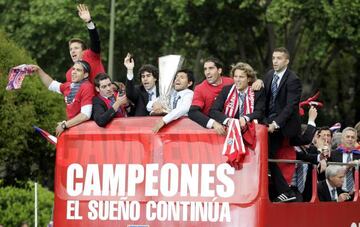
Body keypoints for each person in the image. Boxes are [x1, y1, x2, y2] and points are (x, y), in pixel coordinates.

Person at [263, 47, 303, 202]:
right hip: (267, 122)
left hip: (283, 126)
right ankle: (283, 191)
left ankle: (285, 191)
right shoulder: (268, 75)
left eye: (279, 58)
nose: (275, 61)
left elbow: (290, 106)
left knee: (267, 154)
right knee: (266, 155)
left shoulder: (293, 79)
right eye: (273, 58)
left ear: (286, 61)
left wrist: (276, 123)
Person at [29, 60, 94, 136]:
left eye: (78, 70)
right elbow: (51, 84)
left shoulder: (87, 87)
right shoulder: (69, 86)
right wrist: (38, 70)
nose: (74, 72)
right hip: (74, 130)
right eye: (73, 69)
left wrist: (64, 125)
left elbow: (85, 115)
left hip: (84, 133)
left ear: (85, 75)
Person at [209, 62, 265, 127]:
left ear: (248, 79)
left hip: (250, 131)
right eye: (235, 76)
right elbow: (213, 111)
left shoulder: (257, 91)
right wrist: (228, 120)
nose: (237, 80)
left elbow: (259, 113)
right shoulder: (226, 90)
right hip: (229, 129)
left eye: (241, 77)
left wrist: (245, 118)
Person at [188, 57, 234, 135]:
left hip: (233, 127)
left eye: (211, 68)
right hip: (213, 132)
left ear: (219, 70)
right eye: (205, 69)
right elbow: (193, 112)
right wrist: (213, 123)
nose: (207, 72)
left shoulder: (231, 82)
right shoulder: (200, 88)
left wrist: (259, 82)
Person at [66, 4, 105, 83]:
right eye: (70, 49)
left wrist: (89, 22)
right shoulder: (69, 74)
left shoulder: (91, 55)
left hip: (102, 95)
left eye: (76, 48)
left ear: (84, 51)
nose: (72, 51)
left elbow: (95, 41)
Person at [329, 127, 360, 192]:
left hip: (356, 192)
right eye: (348, 137)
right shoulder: (333, 154)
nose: (350, 139)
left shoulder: (359, 155)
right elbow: (330, 175)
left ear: (355, 140)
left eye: (352, 137)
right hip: (338, 192)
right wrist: (347, 167)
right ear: (342, 139)